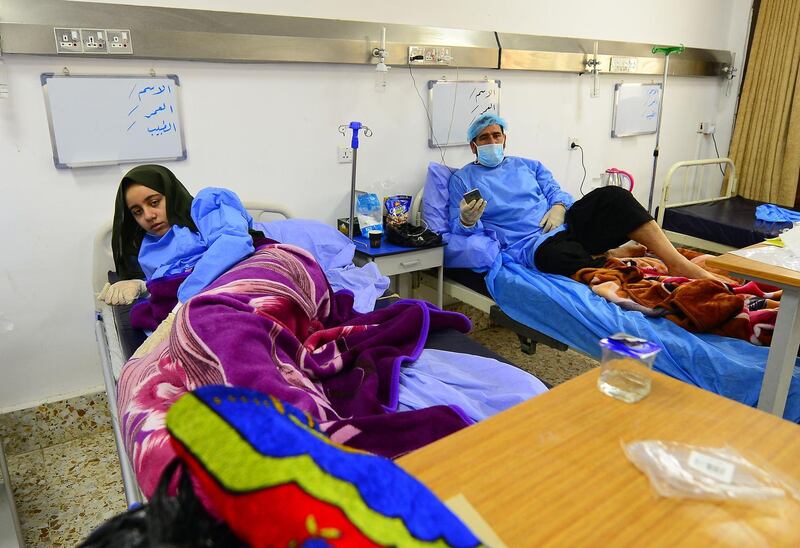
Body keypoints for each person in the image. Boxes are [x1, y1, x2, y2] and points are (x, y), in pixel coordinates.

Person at [448, 114, 715, 280]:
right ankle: (609, 253)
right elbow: (459, 228)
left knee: (614, 196)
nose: (492, 142)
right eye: (484, 138)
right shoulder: (463, 179)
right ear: (473, 146)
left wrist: (560, 207)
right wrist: (468, 220)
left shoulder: (528, 165)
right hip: (531, 243)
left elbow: (556, 191)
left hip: (565, 224)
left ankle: (676, 262)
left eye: (496, 135)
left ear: (505, 139)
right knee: (555, 258)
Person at [100, 164, 259, 307]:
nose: (148, 215)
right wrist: (140, 286)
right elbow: (159, 286)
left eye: (154, 202)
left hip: (245, 283)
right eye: (137, 212)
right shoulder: (145, 250)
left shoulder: (205, 207)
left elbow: (234, 244)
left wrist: (185, 296)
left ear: (171, 193)